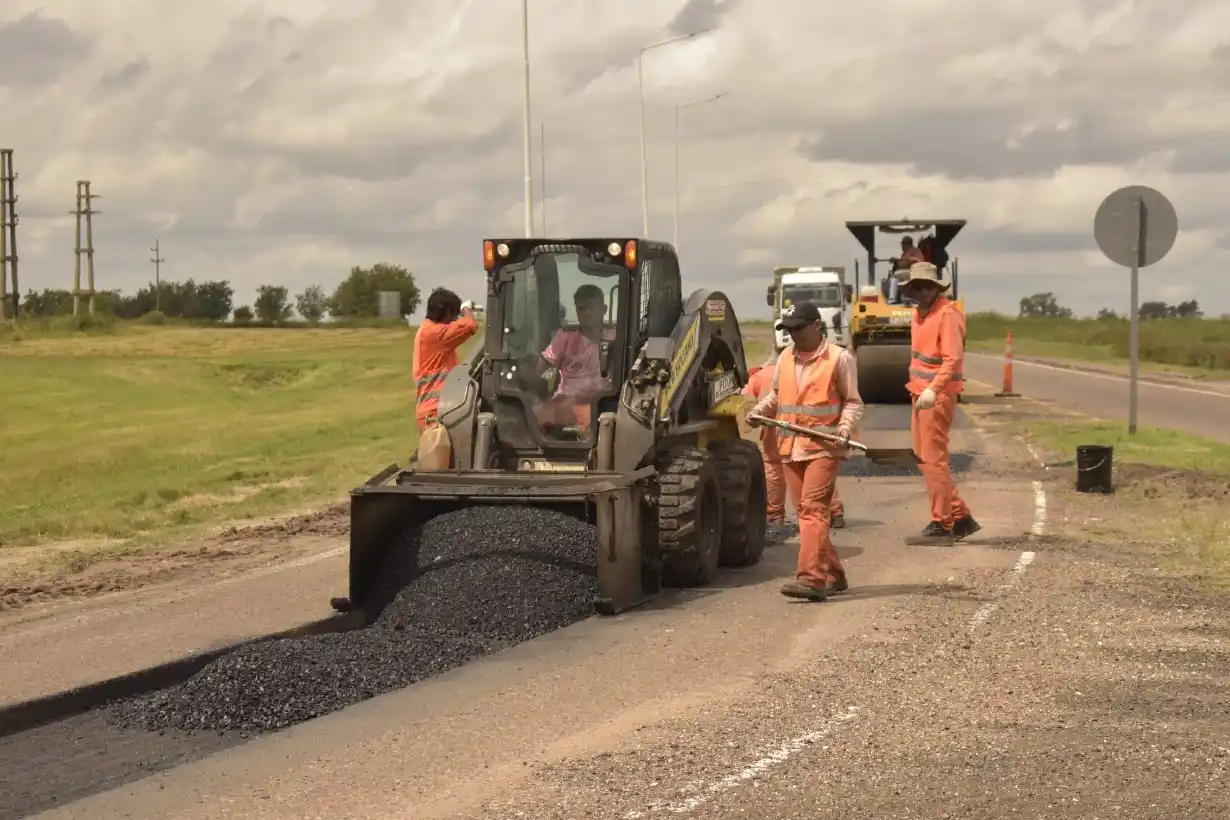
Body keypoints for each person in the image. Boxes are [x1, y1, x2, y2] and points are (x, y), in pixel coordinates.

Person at [747, 302, 863, 601]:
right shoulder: (786, 358)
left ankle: (812, 579)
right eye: (788, 329)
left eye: (798, 328)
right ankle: (835, 574)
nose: (793, 334)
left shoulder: (839, 358)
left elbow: (852, 401)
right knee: (806, 514)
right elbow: (776, 395)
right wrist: (759, 411)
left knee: (813, 510)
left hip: (823, 446)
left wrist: (844, 429)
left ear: (816, 325)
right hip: (790, 446)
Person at [898, 262, 980, 545]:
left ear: (936, 288)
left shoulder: (947, 314)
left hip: (936, 395)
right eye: (916, 287)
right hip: (919, 393)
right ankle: (959, 516)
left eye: (927, 286)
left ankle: (941, 524)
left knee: (934, 460)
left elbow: (952, 358)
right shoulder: (918, 315)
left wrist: (934, 389)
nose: (922, 292)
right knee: (924, 458)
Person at [743, 355, 846, 528]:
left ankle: (775, 516)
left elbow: (745, 403)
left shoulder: (757, 377)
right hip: (805, 426)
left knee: (774, 469)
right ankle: (834, 512)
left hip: (773, 428)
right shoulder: (805, 370)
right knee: (816, 467)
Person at [532, 284, 615, 432]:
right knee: (536, 417)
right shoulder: (565, 337)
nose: (586, 313)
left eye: (591, 307)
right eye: (581, 309)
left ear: (604, 309)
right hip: (567, 399)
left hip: (604, 399)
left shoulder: (615, 336)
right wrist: (525, 380)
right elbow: (542, 366)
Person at [413, 288, 479, 433]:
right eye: (454, 315)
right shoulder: (435, 333)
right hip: (435, 411)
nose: (455, 320)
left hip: (433, 411)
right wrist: (466, 309)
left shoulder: (427, 330)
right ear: (447, 311)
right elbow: (469, 325)